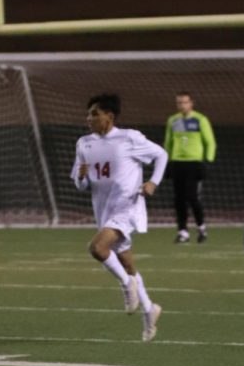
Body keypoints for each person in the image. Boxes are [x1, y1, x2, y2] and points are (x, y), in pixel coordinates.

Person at [72, 93, 167, 342]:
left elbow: (161, 155)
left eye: (94, 113)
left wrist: (152, 183)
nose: (89, 118)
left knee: (96, 248)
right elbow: (80, 186)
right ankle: (149, 309)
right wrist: (81, 176)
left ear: (109, 116)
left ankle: (127, 286)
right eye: (89, 113)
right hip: (104, 210)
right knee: (126, 263)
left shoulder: (129, 138)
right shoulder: (84, 143)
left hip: (128, 207)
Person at [163, 92, 216, 243]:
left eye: (185, 102)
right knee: (179, 199)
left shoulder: (200, 119)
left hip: (194, 163)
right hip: (177, 163)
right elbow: (168, 143)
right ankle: (183, 231)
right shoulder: (172, 120)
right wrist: (167, 161)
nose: (182, 105)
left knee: (193, 197)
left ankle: (201, 228)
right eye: (179, 103)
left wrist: (208, 161)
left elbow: (210, 142)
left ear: (191, 103)